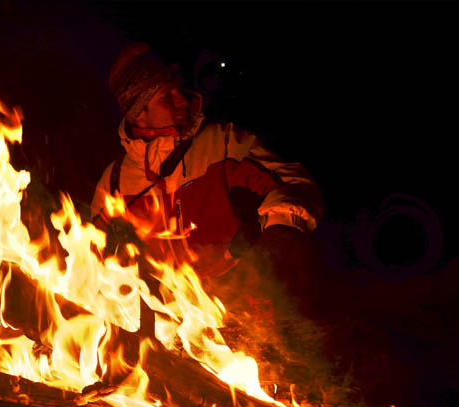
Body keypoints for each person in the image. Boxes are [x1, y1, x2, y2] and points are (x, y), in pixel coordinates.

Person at [91, 42, 324, 308]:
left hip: (243, 311)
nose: (181, 99)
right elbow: (94, 259)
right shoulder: (114, 182)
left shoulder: (222, 145)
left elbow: (292, 183)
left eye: (178, 89)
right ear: (139, 116)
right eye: (166, 96)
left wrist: (279, 235)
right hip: (170, 328)